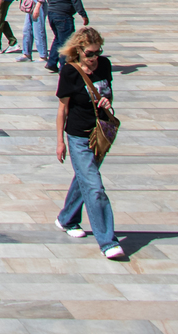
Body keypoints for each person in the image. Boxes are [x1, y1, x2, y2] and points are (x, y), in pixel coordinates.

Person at [55, 27, 124, 259]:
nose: (94, 59)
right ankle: (108, 241)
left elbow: (107, 91)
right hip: (77, 136)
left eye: (97, 53)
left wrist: (106, 101)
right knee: (94, 187)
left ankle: (67, 218)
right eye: (89, 54)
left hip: (99, 134)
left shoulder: (104, 65)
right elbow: (62, 109)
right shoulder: (69, 72)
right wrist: (60, 142)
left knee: (86, 178)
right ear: (79, 51)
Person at [41, 0, 89, 72]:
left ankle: (52, 62)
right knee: (66, 42)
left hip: (51, 13)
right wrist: (83, 14)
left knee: (58, 38)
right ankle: (64, 67)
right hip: (63, 16)